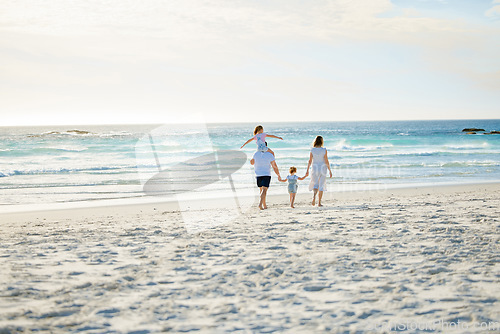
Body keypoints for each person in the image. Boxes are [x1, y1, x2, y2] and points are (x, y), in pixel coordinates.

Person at [250, 143, 281, 210]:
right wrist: (278, 175)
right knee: (264, 190)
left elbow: (252, 163)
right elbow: (274, 166)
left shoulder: (255, 154)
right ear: (266, 146)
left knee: (261, 190)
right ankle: (260, 204)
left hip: (258, 175)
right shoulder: (270, 155)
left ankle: (264, 205)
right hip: (266, 174)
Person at [306, 136, 332, 207]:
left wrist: (307, 170)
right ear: (321, 141)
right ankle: (319, 202)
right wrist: (330, 170)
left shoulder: (312, 150)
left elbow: (310, 161)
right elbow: (326, 160)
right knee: (321, 185)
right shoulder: (324, 150)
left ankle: (314, 196)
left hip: (314, 168)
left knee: (315, 184)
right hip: (323, 168)